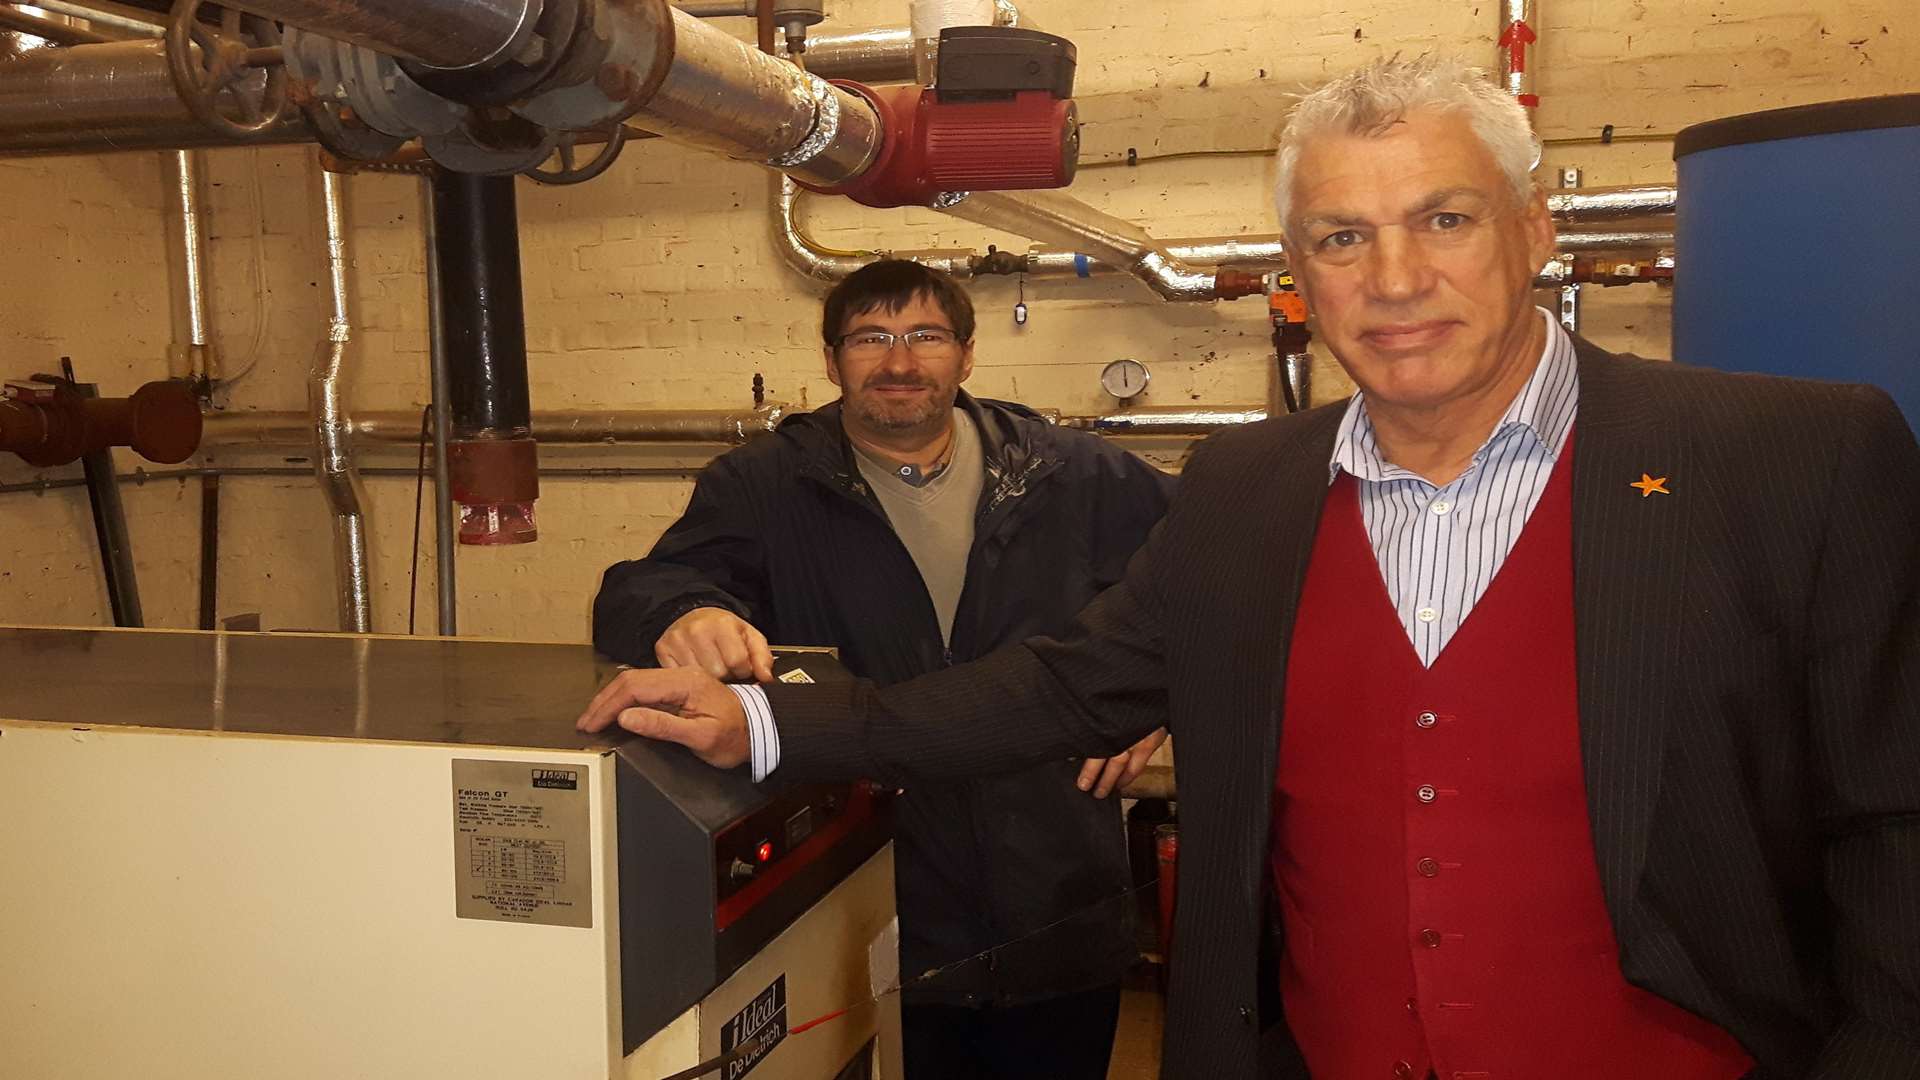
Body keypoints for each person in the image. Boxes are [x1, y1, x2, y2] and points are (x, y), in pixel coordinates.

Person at [581, 57, 1920, 1079]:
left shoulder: (1791, 462)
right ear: (1299, 276)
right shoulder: (1242, 497)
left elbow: (1893, 833)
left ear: (1537, 230)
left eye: (1444, 219)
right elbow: (1047, 692)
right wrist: (766, 716)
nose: (1394, 278)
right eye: (1342, 239)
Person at [590, 259, 1176, 1079]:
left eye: (924, 336)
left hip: (1056, 899)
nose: (899, 362)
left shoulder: (1069, 472)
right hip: (870, 897)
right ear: (831, 361)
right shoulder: (766, 483)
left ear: (966, 355)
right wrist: (683, 611)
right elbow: (635, 589)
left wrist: (1153, 704)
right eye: (871, 338)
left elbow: (1206, 581)